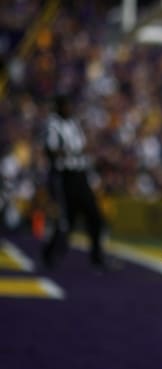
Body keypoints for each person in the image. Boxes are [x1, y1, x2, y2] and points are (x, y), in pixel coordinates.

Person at [41, 94, 108, 270]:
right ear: (59, 107)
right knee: (66, 220)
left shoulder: (73, 123)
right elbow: (51, 150)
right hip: (65, 177)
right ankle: (49, 253)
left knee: (94, 216)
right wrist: (74, 150)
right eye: (66, 106)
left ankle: (97, 257)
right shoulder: (52, 124)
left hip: (80, 175)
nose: (69, 109)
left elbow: (84, 146)